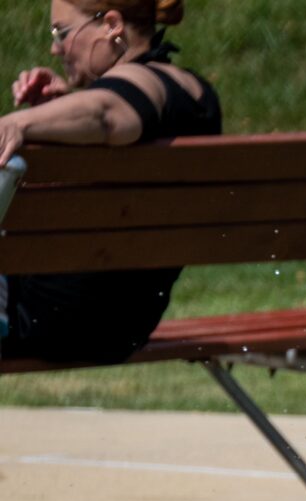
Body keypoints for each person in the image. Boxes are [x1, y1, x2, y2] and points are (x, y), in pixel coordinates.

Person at [1, 1, 220, 364]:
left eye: (63, 33)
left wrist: (18, 123)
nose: (55, 48)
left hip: (43, 321)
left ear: (112, 26)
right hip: (122, 326)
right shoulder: (196, 94)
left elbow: (106, 114)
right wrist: (59, 110)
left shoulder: (142, 85)